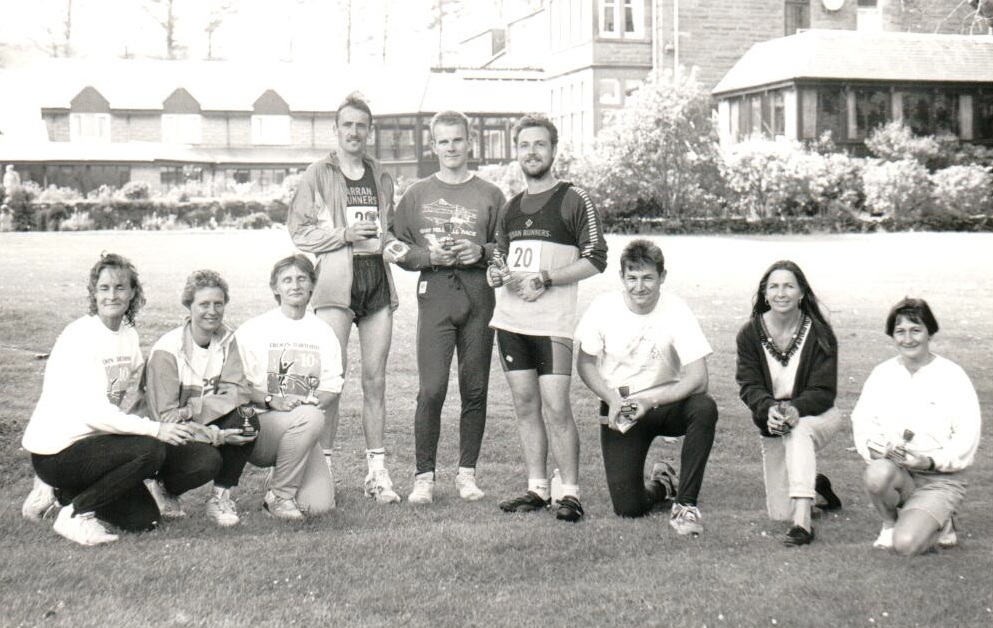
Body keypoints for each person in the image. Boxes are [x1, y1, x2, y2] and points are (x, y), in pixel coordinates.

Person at [20, 253, 204, 546]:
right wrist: (156, 429)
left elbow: (139, 387)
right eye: (104, 288)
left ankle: (58, 494)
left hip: (92, 447)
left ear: (133, 293)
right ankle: (75, 514)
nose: (112, 295)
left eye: (120, 287)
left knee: (144, 520)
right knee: (150, 450)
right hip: (57, 453)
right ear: (94, 293)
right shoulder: (80, 336)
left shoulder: (127, 335)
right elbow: (95, 412)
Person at [489, 113, 608, 522]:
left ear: (554, 150)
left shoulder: (574, 199)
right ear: (516, 152)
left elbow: (596, 258)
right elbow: (499, 259)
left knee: (557, 407)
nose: (532, 152)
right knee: (525, 406)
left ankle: (570, 493)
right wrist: (496, 273)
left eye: (539, 144)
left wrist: (547, 278)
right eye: (524, 145)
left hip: (552, 325)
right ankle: (537, 488)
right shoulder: (510, 208)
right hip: (510, 324)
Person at [287, 92, 401, 503]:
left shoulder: (380, 174)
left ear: (369, 131)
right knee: (331, 380)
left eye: (361, 125)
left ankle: (377, 474)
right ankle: (324, 472)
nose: (354, 132)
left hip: (377, 282)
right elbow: (299, 230)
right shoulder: (319, 172)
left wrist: (393, 245)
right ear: (335, 129)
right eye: (347, 125)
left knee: (375, 380)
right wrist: (343, 235)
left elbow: (389, 230)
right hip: (335, 284)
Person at [389, 111, 506, 504]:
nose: (451, 147)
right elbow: (393, 245)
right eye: (444, 141)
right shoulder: (417, 193)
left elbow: (508, 247)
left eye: (458, 140)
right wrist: (427, 257)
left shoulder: (491, 194)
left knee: (475, 387)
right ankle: (424, 476)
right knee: (432, 388)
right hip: (436, 295)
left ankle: (467, 474)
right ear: (433, 145)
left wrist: (482, 251)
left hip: (479, 297)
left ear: (469, 142)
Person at [575, 240, 718, 535]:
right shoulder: (603, 307)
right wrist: (611, 399)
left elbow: (698, 378)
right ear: (622, 277)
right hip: (623, 405)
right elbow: (585, 363)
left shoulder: (676, 309)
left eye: (648, 277)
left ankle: (685, 504)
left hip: (665, 402)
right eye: (632, 277)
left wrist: (650, 401)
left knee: (704, 407)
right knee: (628, 508)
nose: (639, 287)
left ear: (662, 277)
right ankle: (662, 484)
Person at [851, 298, 981, 555]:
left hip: (939, 479)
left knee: (907, 545)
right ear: (892, 336)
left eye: (916, 330)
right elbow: (863, 422)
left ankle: (941, 522)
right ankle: (889, 524)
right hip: (899, 473)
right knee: (877, 473)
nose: (908, 339)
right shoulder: (882, 374)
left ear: (929, 332)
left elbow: (967, 438)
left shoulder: (952, 375)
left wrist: (929, 461)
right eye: (900, 331)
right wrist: (880, 450)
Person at [735, 260, 845, 546]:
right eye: (774, 287)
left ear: (801, 293)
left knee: (798, 430)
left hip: (818, 415)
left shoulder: (820, 332)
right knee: (779, 513)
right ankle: (815, 485)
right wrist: (768, 409)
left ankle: (802, 525)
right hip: (774, 422)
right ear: (765, 293)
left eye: (788, 286)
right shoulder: (749, 334)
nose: (781, 293)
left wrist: (796, 410)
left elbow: (824, 391)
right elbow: (749, 386)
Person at [144, 270, 259, 527]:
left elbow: (238, 392)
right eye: (204, 304)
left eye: (219, 304)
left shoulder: (227, 340)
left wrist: (192, 409)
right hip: (162, 435)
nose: (212, 311)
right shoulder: (167, 350)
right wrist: (217, 436)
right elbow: (166, 419)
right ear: (189, 306)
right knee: (206, 461)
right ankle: (162, 486)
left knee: (246, 419)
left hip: (194, 419)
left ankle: (220, 498)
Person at [236, 255, 344, 520]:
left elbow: (332, 386)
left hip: (304, 424)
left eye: (301, 279)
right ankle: (280, 496)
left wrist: (312, 403)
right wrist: (271, 399)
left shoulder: (323, 332)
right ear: (275, 287)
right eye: (287, 280)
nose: (295, 285)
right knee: (309, 417)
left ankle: (283, 473)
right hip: (260, 426)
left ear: (312, 285)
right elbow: (236, 385)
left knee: (318, 506)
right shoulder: (254, 329)